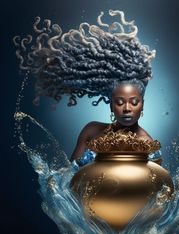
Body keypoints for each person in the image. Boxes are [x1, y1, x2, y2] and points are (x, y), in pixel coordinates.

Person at [14, 10, 161, 165]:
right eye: (119, 102)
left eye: (134, 102)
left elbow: (155, 186)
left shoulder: (148, 146)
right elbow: (69, 178)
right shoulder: (91, 131)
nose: (126, 108)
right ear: (111, 105)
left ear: (142, 104)